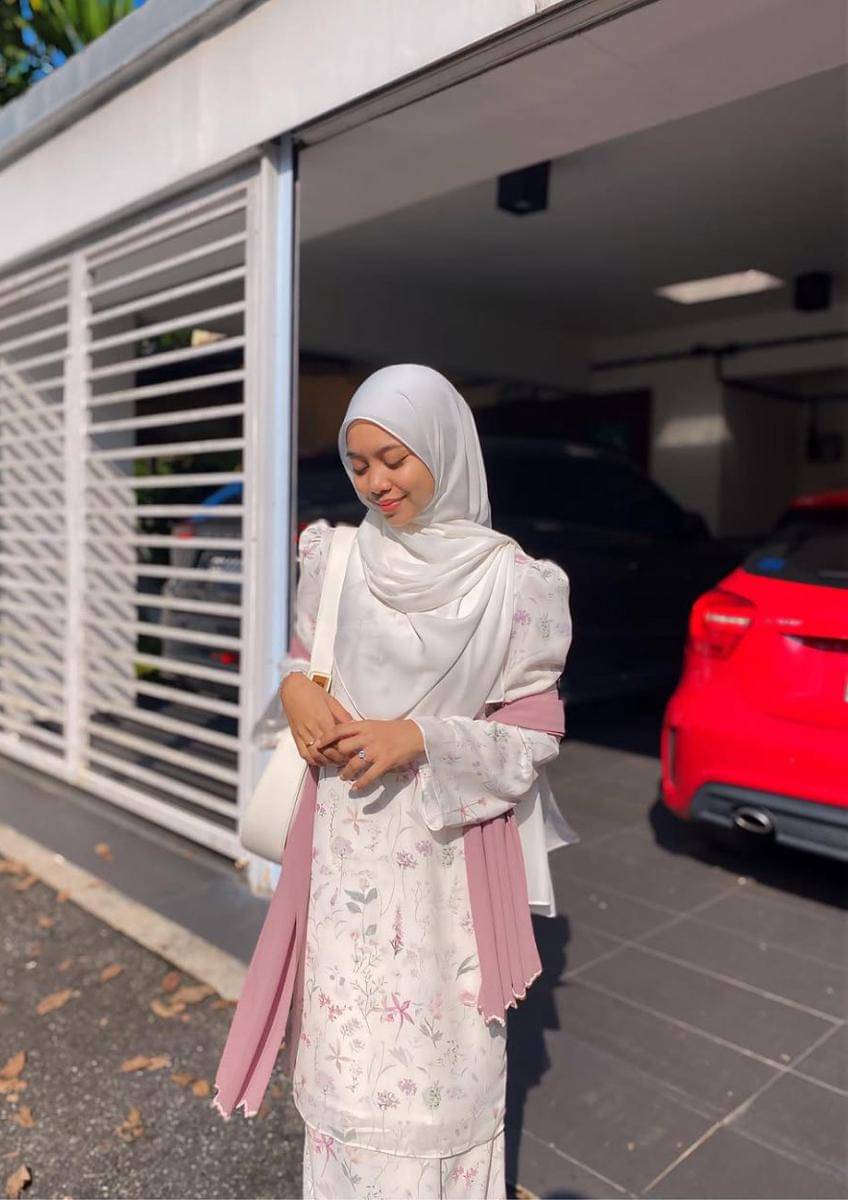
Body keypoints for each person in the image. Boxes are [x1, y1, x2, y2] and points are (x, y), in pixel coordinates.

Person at [217, 363, 577, 1200]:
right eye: (359, 465)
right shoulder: (337, 556)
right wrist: (297, 693)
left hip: (442, 869)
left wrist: (418, 736)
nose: (376, 482)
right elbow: (306, 661)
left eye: (394, 459)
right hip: (343, 861)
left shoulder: (515, 583)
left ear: (444, 449)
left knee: (436, 1075)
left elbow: (533, 737)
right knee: (347, 1066)